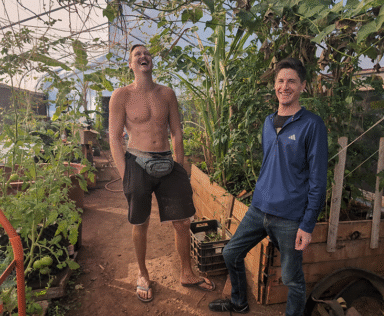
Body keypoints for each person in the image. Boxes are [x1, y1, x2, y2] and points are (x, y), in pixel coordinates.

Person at [208, 58, 328, 315]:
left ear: (303, 86)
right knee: (231, 253)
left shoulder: (311, 124)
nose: (285, 86)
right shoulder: (267, 122)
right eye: (280, 81)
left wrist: (307, 225)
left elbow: (318, 179)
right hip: (258, 209)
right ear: (274, 85)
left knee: (291, 279)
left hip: (289, 217)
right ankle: (239, 303)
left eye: (291, 81)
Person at [109, 44, 215, 303]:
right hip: (137, 162)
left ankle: (187, 272)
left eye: (146, 54)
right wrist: (125, 174)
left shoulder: (167, 94)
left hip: (167, 163)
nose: (143, 56)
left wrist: (179, 166)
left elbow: (177, 132)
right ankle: (143, 274)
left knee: (182, 221)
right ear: (131, 65)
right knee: (140, 222)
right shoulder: (120, 96)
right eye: (137, 55)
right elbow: (113, 137)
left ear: (151, 61)